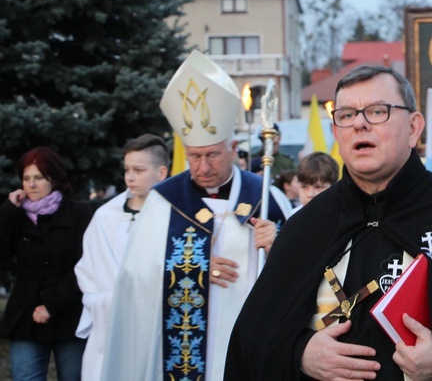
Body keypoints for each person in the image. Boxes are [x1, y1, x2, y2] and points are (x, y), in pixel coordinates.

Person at [225, 64, 432, 380]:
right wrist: (299, 352)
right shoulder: (308, 227)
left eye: (377, 111)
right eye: (346, 115)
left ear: (413, 127)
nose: (360, 123)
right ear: (336, 132)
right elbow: (252, 339)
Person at [101, 51, 284, 381]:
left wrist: (278, 246)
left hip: (249, 341)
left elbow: (302, 271)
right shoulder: (163, 201)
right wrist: (193, 267)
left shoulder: (265, 197)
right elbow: (134, 279)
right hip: (182, 352)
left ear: (232, 148)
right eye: (194, 156)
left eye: (212, 155)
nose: (203, 167)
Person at [74, 134, 169, 380]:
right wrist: (101, 301)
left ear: (161, 173)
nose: (130, 177)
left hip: (153, 322)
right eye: (127, 169)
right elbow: (87, 268)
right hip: (107, 323)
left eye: (139, 170)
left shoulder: (173, 218)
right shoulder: (105, 216)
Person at [0, 147, 93, 380]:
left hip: (70, 314)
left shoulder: (79, 213)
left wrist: (52, 304)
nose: (31, 185)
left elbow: (88, 264)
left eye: (39, 178)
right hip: (26, 317)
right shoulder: (16, 214)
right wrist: (9, 209)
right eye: (27, 178)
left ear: (54, 179)